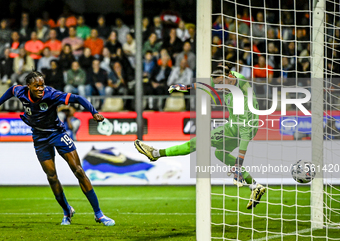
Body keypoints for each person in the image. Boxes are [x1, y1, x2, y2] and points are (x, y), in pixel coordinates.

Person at [135, 65, 266, 209]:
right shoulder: (229, 78)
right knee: (220, 153)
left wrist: (238, 164)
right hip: (235, 125)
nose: (218, 88)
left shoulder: (243, 100)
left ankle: (155, 154)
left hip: (243, 127)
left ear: (229, 78)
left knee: (198, 141)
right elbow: (206, 84)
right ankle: (255, 186)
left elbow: (246, 136)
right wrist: (185, 87)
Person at [0, 71, 115, 226]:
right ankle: (67, 211)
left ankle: (99, 214)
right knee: (52, 176)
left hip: (57, 134)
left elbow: (78, 98)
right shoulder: (20, 91)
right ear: (29, 87)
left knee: (78, 170)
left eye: (42, 85)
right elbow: (11, 90)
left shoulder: (51, 94)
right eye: (37, 86)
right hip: (39, 138)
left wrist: (93, 112)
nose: (41, 89)